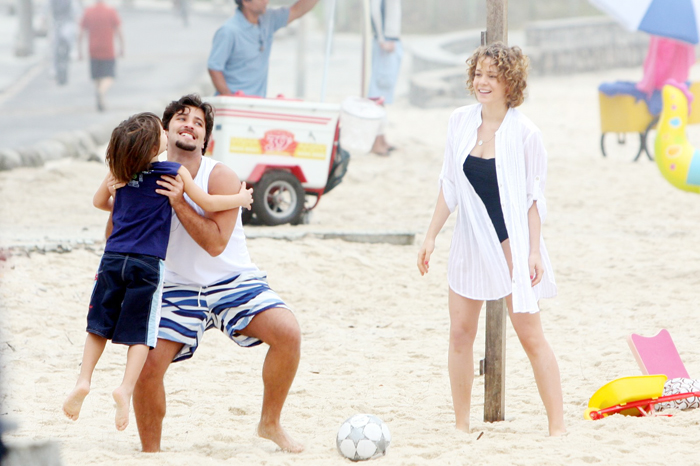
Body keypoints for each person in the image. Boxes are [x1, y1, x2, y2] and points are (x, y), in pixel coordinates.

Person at [128, 95, 304, 453]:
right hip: (176, 286)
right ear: (165, 130)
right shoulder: (145, 174)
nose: (189, 124)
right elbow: (118, 233)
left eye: (198, 122)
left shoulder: (220, 175)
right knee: (145, 368)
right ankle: (151, 454)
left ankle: (270, 423)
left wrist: (178, 200)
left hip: (232, 280)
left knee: (288, 333)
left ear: (205, 140)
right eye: (181, 118)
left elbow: (215, 243)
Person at [62, 112, 254, 431]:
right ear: (154, 146)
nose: (167, 132)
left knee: (98, 323)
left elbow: (99, 202)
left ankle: (84, 380)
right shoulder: (173, 171)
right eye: (161, 132)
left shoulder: (119, 170)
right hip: (147, 263)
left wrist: (123, 202)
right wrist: (241, 197)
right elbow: (206, 200)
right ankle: (124, 387)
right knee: (142, 331)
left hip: (112, 259)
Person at [416, 43, 566, 436]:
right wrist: (430, 236)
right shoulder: (460, 121)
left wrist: (533, 251)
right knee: (460, 333)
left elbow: (535, 198)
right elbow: (449, 183)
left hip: (510, 243)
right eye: (479, 74)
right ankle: (461, 426)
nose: (483, 82)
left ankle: (557, 427)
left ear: (509, 83)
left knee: (531, 337)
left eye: (492, 76)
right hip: (469, 241)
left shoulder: (526, 134)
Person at [207, 0, 321, 97]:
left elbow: (298, 10)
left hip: (257, 105)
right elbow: (214, 68)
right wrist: (230, 99)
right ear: (245, 2)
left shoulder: (268, 19)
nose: (266, 1)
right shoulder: (228, 31)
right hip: (234, 107)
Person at [368, 0, 402, 156]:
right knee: (378, 94)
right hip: (386, 43)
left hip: (392, 41)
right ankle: (375, 141)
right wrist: (382, 39)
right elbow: (374, 9)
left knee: (384, 95)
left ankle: (381, 138)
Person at [78, 0, 123, 111]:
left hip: (93, 50)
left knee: (97, 77)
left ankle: (101, 100)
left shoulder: (88, 12)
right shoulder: (110, 11)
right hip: (108, 49)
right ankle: (101, 92)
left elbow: (81, 32)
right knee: (109, 76)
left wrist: (80, 50)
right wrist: (122, 47)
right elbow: (119, 30)